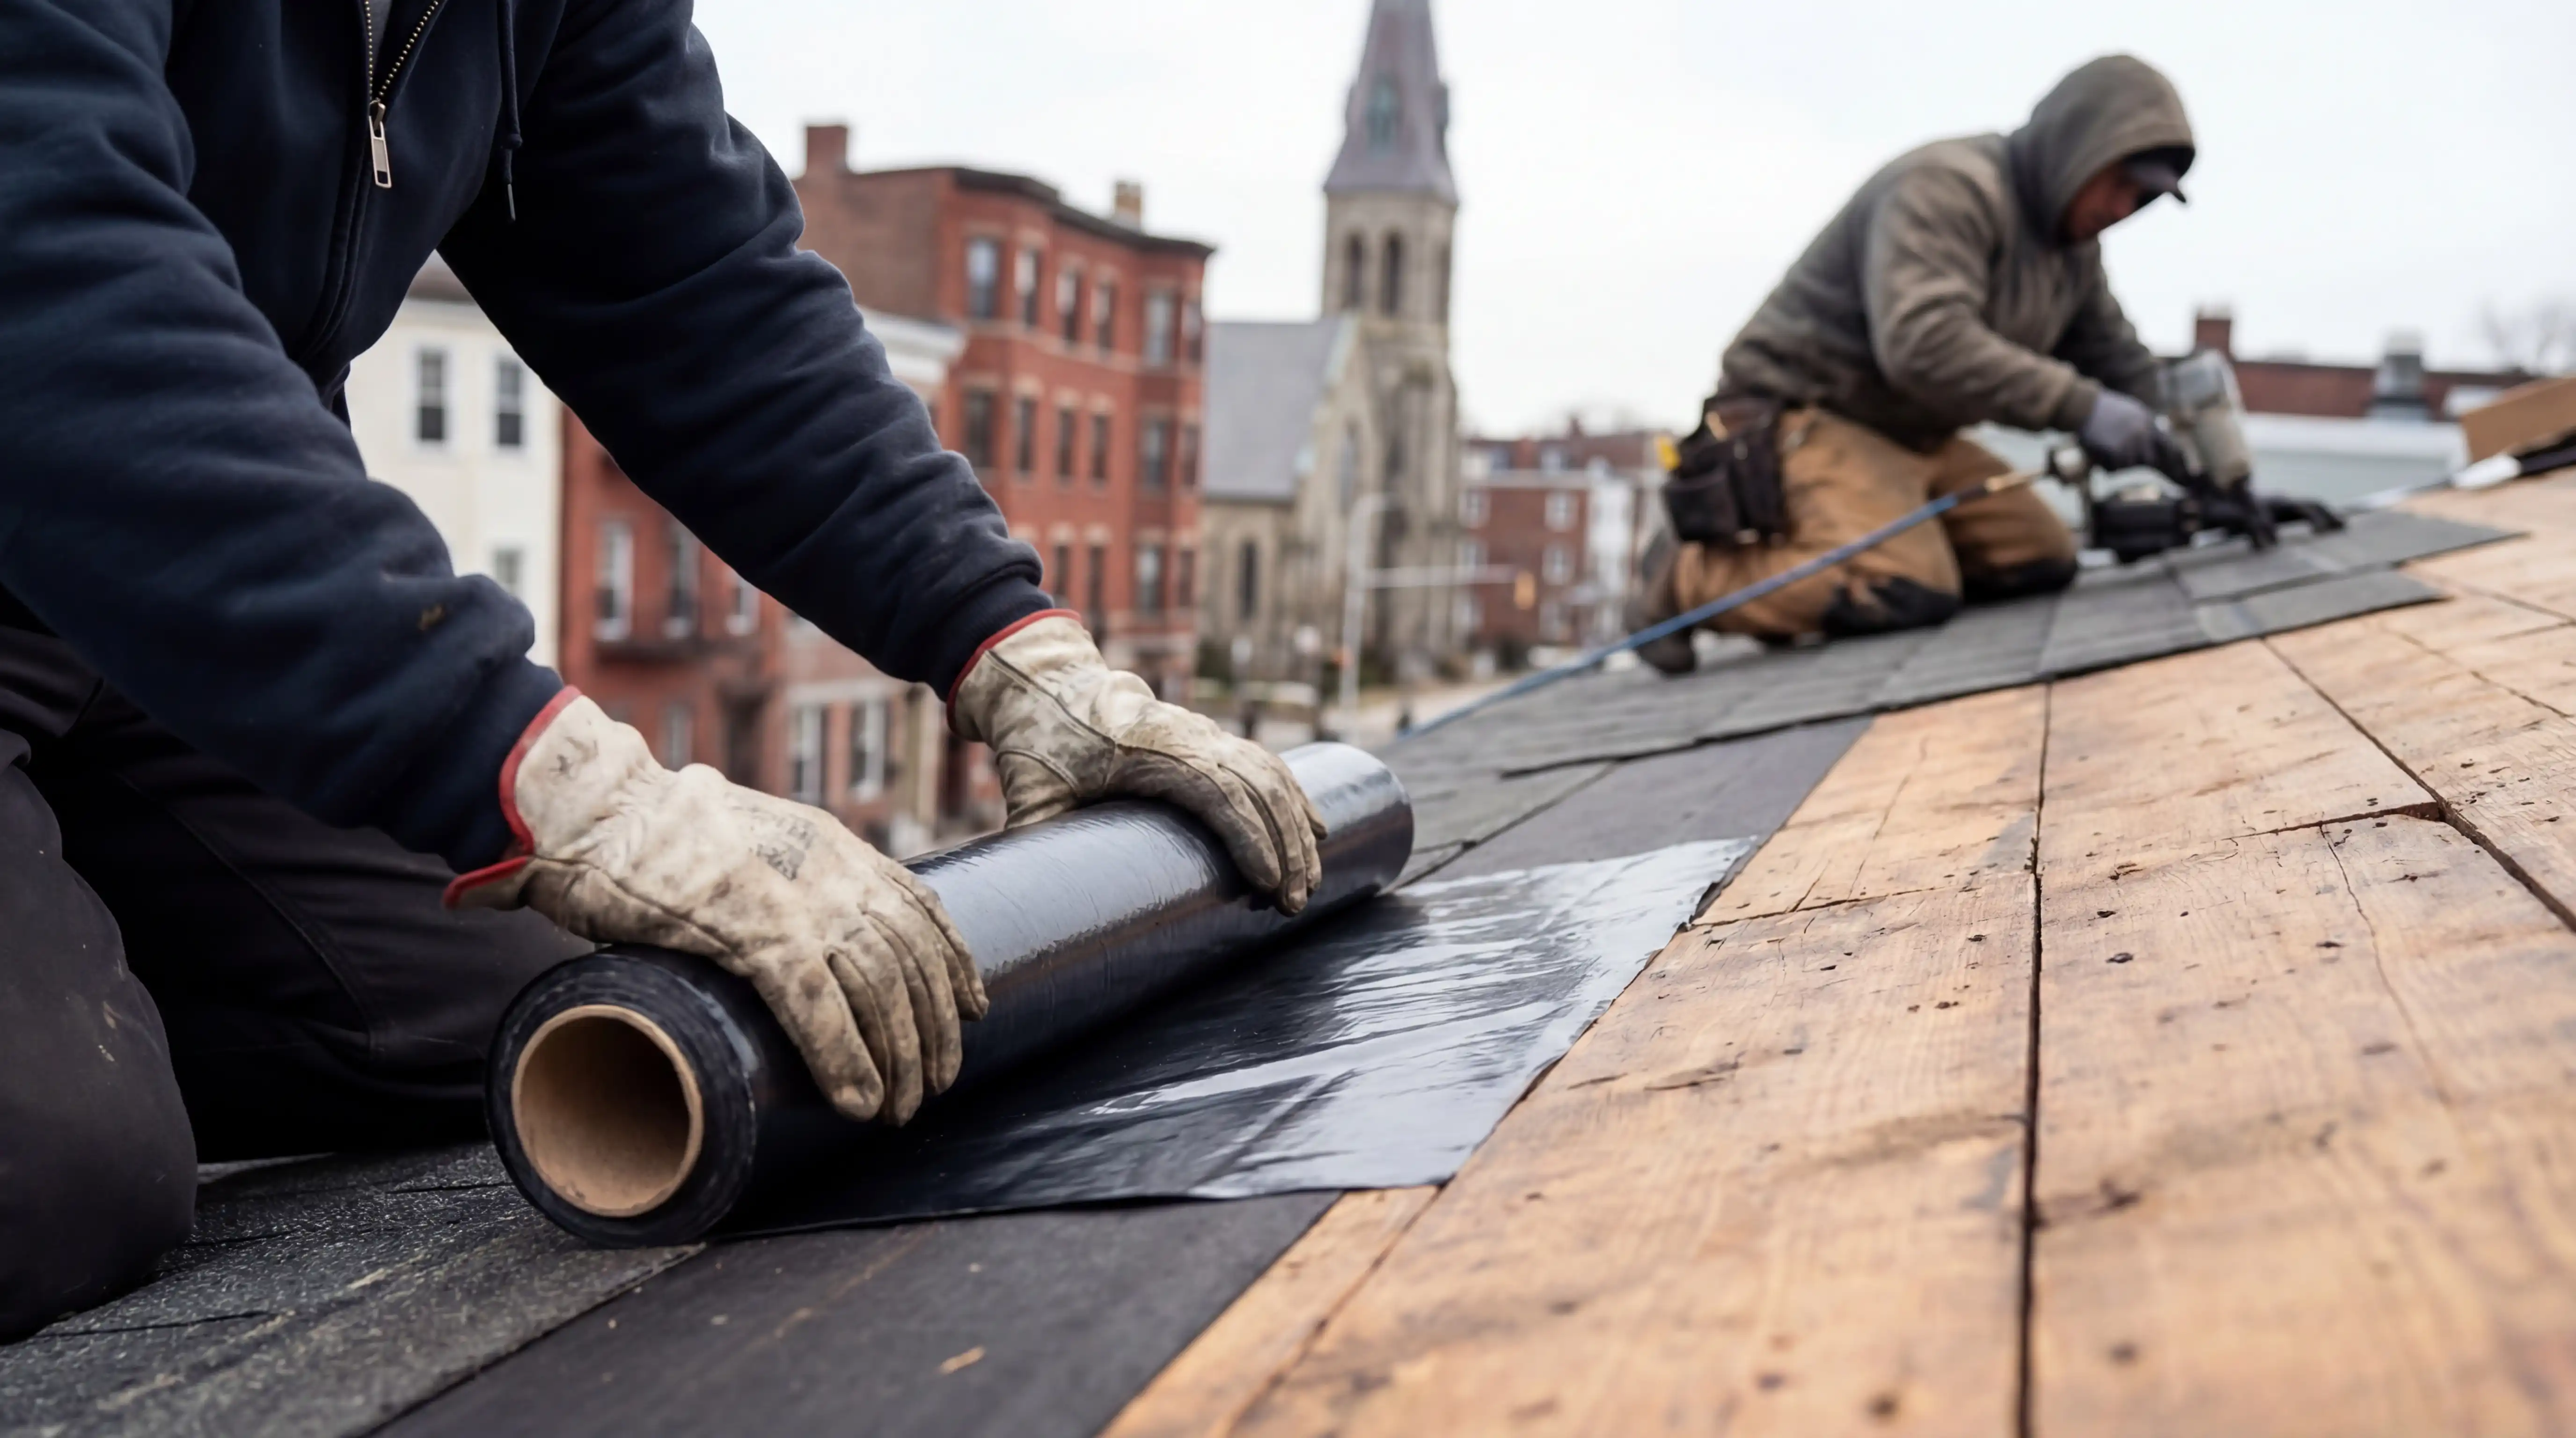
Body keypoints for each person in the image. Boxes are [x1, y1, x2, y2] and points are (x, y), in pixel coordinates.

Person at [0, 0, 1322, 1338]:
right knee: (56, 1178)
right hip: (84, 490)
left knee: (537, 1010)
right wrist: (552, 779)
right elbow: (45, 273)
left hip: (165, 602)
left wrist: (1008, 647)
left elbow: (694, 287)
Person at [1631, 55, 2209, 667]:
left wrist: (2215, 478)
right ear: (2078, 146)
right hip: (1805, 414)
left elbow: (2118, 360)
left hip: (1912, 436)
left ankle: (1896, 541)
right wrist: (2081, 408)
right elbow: (1924, 343)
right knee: (1906, 584)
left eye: (2142, 198)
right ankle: (1683, 577)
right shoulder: (1948, 188)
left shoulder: (2071, 253)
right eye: (2121, 181)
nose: (2125, 207)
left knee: (2040, 558)